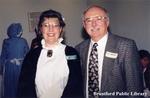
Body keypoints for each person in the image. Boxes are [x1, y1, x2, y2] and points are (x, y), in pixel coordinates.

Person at [75, 5, 144, 98]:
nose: (94, 24)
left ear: (107, 22)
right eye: (89, 20)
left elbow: (135, 89)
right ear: (84, 25)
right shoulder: (79, 49)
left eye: (98, 19)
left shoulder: (126, 46)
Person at [17, 9, 83, 98]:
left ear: (60, 29)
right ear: (40, 29)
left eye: (55, 25)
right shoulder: (31, 55)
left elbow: (76, 85)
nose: (50, 29)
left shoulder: (71, 53)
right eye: (46, 25)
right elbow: (24, 88)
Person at [0, 23, 29, 98]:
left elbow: (3, 56)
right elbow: (28, 55)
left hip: (9, 67)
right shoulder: (23, 41)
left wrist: (1, 69)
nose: (21, 31)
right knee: (20, 86)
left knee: (10, 86)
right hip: (20, 66)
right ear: (18, 31)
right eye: (20, 30)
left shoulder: (6, 41)